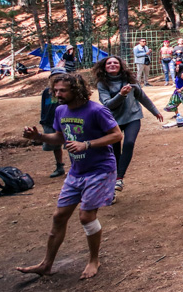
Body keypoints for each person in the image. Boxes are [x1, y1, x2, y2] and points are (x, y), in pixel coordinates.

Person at [18, 73, 123, 279]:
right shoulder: (60, 110)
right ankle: (46, 264)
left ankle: (94, 260)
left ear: (76, 90)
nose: (58, 94)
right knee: (59, 216)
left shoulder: (97, 110)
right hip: (77, 171)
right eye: (55, 90)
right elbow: (60, 136)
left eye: (62, 90)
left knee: (86, 216)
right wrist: (38, 136)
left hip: (100, 169)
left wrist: (87, 143)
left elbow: (117, 135)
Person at [93, 56, 163, 193]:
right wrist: (121, 94)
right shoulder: (102, 84)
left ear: (120, 65)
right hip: (113, 121)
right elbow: (108, 105)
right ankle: (112, 182)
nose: (112, 64)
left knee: (129, 143)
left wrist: (155, 111)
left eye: (115, 62)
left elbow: (142, 96)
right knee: (114, 151)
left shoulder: (130, 80)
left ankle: (119, 177)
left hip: (133, 116)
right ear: (104, 67)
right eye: (109, 63)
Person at [38, 68, 67, 178]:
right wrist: (43, 119)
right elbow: (44, 106)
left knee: (71, 144)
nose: (57, 78)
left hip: (66, 120)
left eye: (60, 76)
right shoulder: (47, 91)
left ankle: (77, 166)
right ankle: (59, 166)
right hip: (50, 121)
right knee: (55, 145)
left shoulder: (68, 90)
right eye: (55, 76)